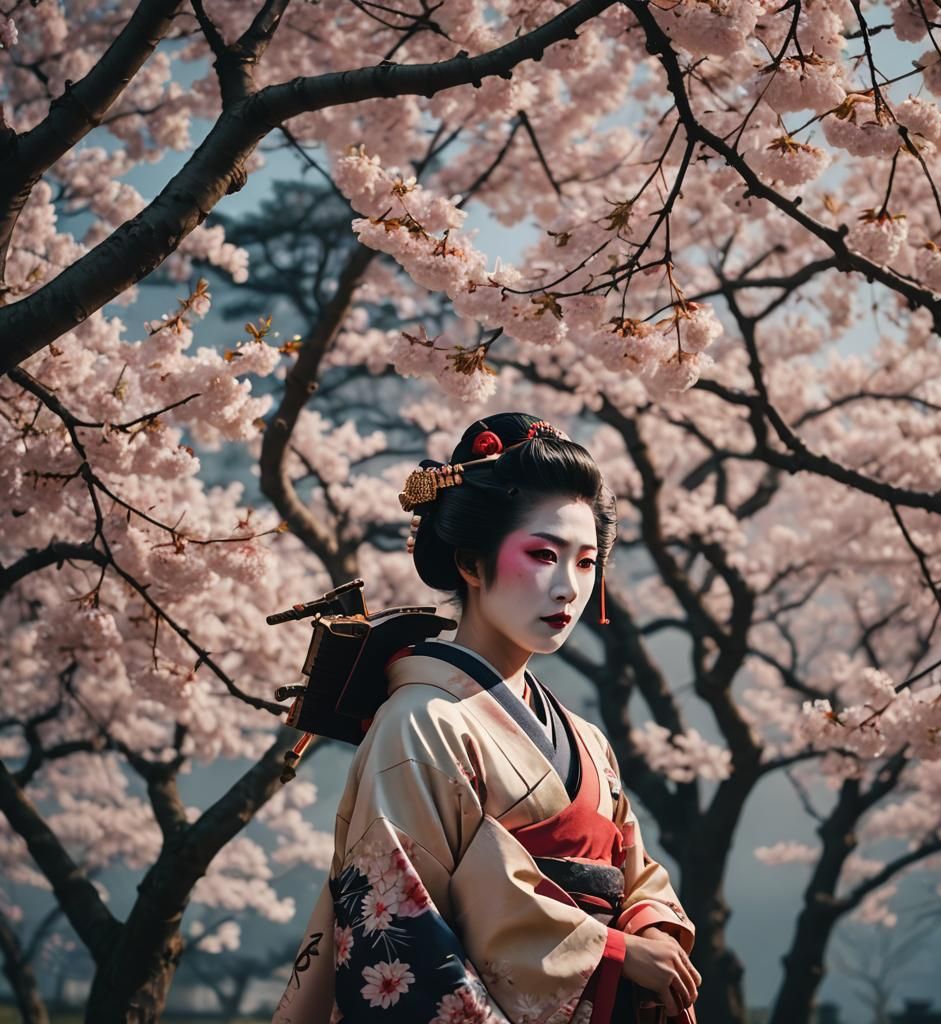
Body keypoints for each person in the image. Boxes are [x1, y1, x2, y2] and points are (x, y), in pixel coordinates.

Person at [272, 412, 701, 1024]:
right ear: (471, 565)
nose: (568, 589)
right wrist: (608, 951)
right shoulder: (420, 722)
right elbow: (398, 929)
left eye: (585, 563)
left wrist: (651, 935)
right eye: (544, 555)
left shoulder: (589, 741)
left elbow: (637, 875)